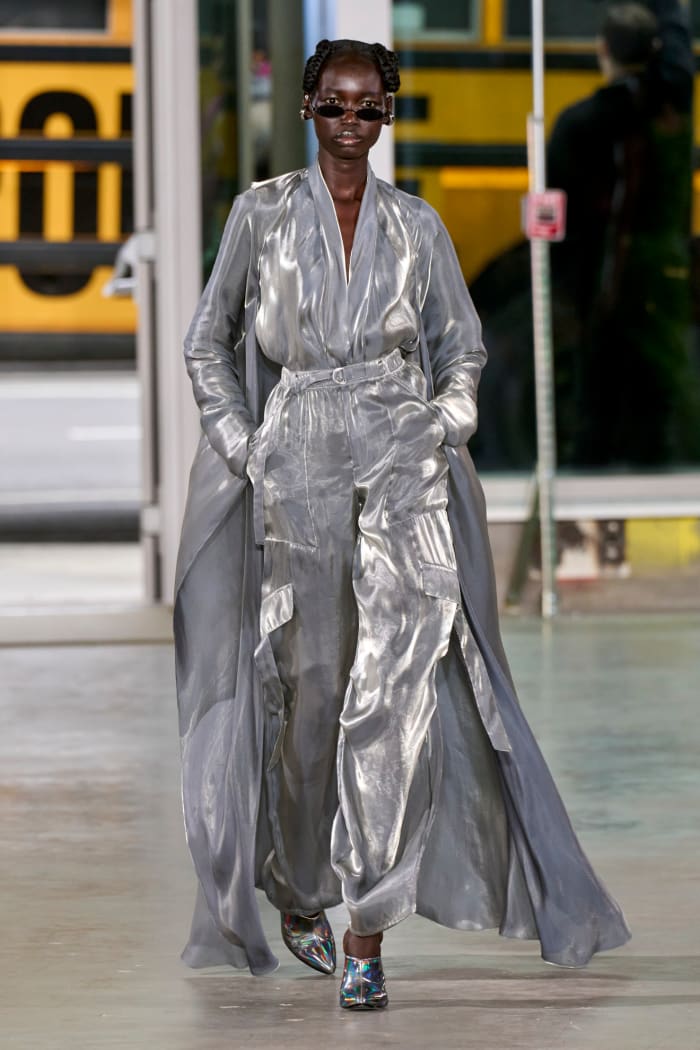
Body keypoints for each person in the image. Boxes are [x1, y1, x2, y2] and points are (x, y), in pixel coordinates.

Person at [174, 38, 630, 1011]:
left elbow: (461, 346)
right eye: (335, 105)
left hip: (401, 468)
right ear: (307, 107)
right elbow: (209, 341)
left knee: (392, 699)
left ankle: (368, 932)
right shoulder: (260, 216)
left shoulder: (417, 227)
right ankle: (299, 885)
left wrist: (444, 420)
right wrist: (244, 444)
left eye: (369, 107)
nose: (352, 123)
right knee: (308, 699)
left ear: (387, 115)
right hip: (296, 466)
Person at [547, 0, 698, 466]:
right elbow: (679, 63)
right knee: (657, 401)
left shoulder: (579, 124)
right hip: (661, 274)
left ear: (602, 50)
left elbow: (560, 223)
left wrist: (562, 290)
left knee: (595, 401)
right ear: (655, 53)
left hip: (600, 282)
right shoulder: (672, 116)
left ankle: (592, 479)